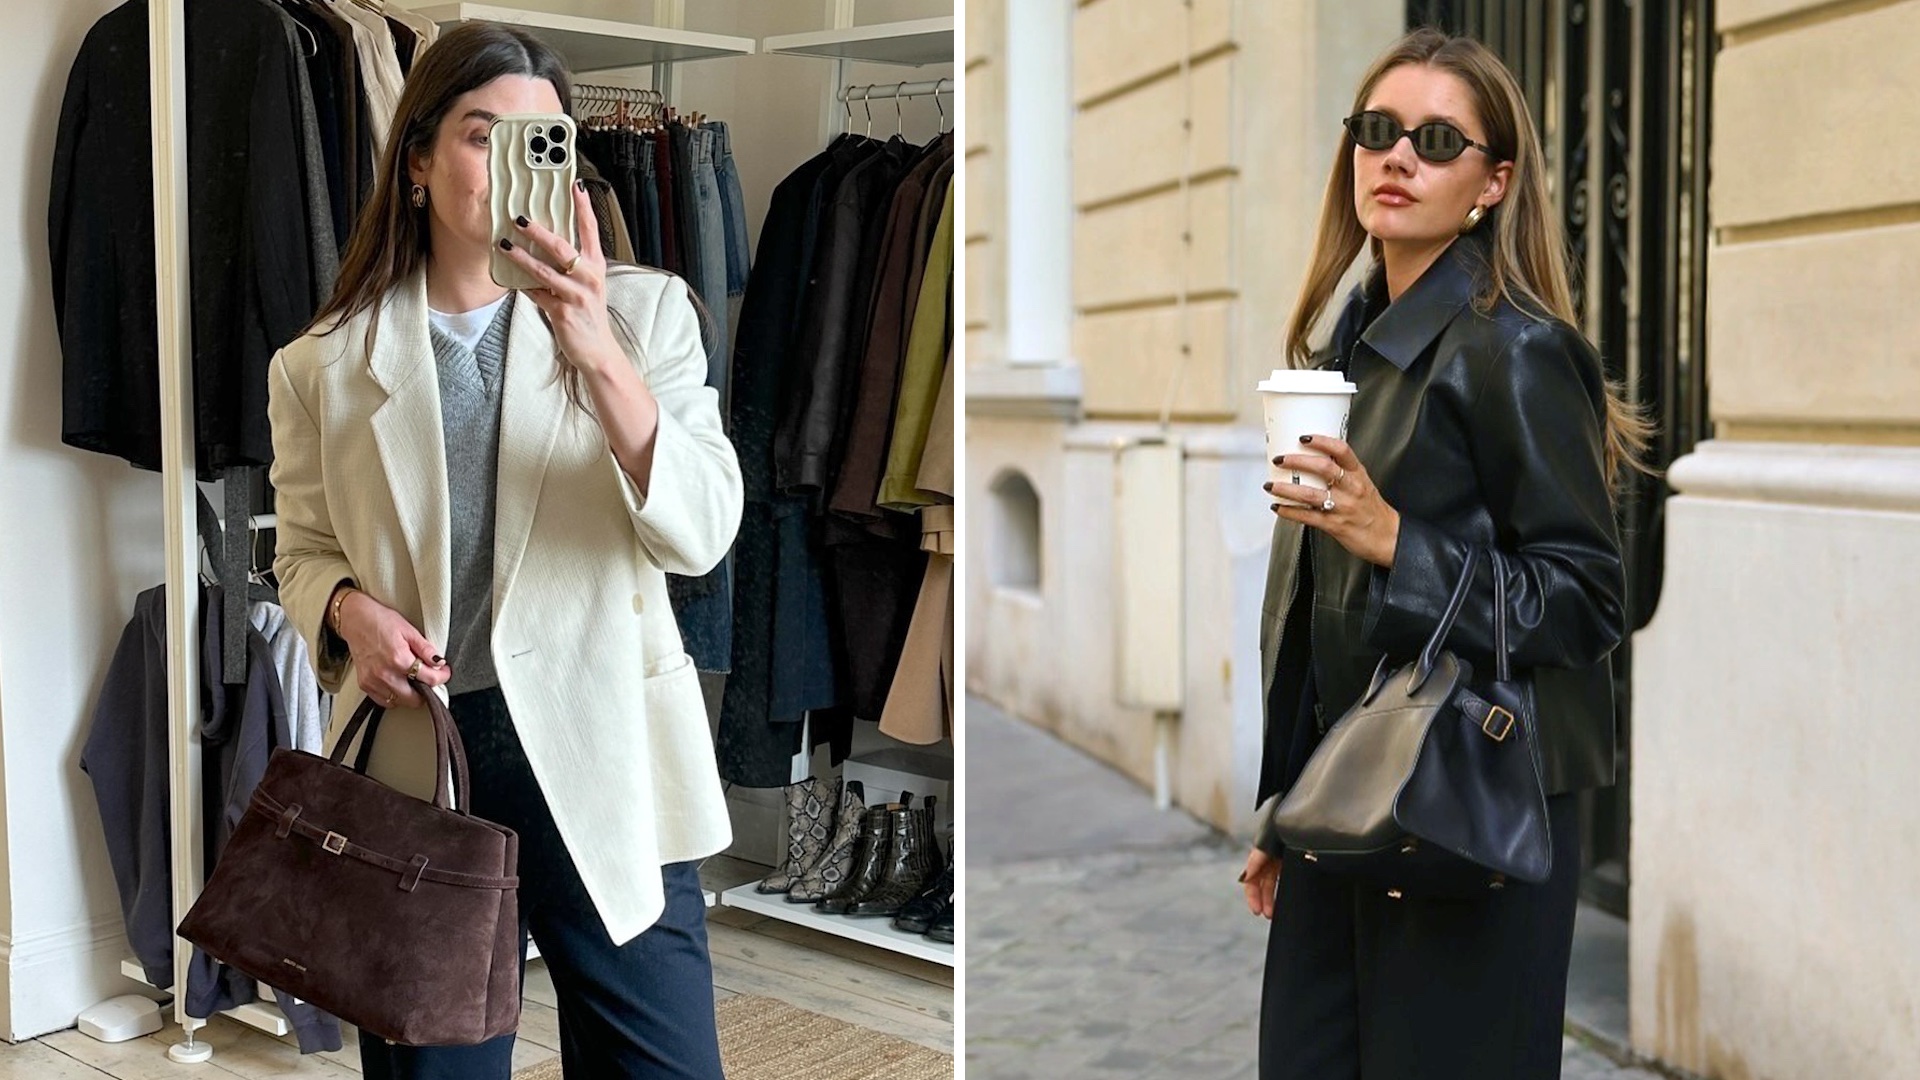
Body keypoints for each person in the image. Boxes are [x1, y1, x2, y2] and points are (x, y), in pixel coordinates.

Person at [268, 22, 740, 1080]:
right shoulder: (322, 366)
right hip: (424, 757)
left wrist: (598, 354)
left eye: (544, 138)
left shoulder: (647, 314)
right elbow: (300, 549)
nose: (515, 163)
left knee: (662, 1065)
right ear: (422, 161)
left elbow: (702, 533)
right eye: (484, 136)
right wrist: (347, 612)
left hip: (605, 738)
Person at [1239, 28, 1650, 1080]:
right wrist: (1282, 804)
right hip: (1350, 804)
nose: (1396, 156)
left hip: (1475, 811)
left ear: (1492, 183)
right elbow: (1312, 605)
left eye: (1434, 138)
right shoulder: (1347, 347)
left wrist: (1396, 542)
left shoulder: (1516, 348)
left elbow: (1594, 596)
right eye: (1376, 130)